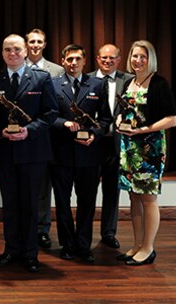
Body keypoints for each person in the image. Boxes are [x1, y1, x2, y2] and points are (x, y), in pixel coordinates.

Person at [0, 34, 57, 272]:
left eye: (17, 49)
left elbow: (50, 113)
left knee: (30, 205)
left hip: (33, 152)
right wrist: (0, 132)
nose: (12, 53)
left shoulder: (41, 78)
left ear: (26, 51)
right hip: (6, 152)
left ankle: (30, 253)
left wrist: (29, 131)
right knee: (10, 205)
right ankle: (11, 250)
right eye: (7, 50)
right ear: (2, 53)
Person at [117, 40, 176, 265]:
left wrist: (145, 129)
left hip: (149, 149)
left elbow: (172, 119)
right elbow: (123, 111)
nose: (138, 60)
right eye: (135, 56)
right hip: (129, 148)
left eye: (143, 56)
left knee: (148, 198)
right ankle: (136, 244)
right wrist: (118, 121)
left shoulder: (159, 83)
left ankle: (148, 247)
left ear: (150, 59)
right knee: (133, 197)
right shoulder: (129, 83)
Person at [50, 44, 112, 263]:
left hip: (89, 153)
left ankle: (84, 245)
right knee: (63, 202)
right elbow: (49, 116)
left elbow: (106, 119)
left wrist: (95, 133)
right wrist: (63, 122)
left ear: (85, 61)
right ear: (63, 61)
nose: (73, 63)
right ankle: (67, 245)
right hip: (62, 154)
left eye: (77, 59)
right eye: (69, 59)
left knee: (87, 202)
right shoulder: (54, 84)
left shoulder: (98, 84)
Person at [88, 44, 134, 249]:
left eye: (112, 58)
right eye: (104, 58)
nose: (107, 61)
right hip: (91, 143)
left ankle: (108, 232)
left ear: (119, 59)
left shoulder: (130, 80)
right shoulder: (86, 79)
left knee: (112, 191)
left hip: (117, 144)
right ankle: (84, 233)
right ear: (98, 59)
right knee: (87, 191)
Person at [25, 28, 63, 249]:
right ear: (26, 44)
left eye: (39, 41)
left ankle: (42, 230)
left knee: (43, 188)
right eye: (32, 41)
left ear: (45, 44)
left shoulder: (57, 71)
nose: (35, 45)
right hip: (22, 136)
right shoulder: (17, 67)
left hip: (48, 136)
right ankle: (25, 228)